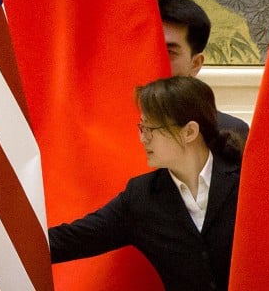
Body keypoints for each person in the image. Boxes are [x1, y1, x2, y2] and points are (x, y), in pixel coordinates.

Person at [49, 76, 243, 290]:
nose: (143, 139)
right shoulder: (141, 197)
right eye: (142, 128)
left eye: (151, 129)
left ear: (189, 132)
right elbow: (74, 239)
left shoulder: (245, 181)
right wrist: (11, 241)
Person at [159, 0, 250, 140]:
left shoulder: (228, 134)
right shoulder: (113, 128)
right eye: (150, 49)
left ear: (195, 63)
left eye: (168, 52)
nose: (156, 60)